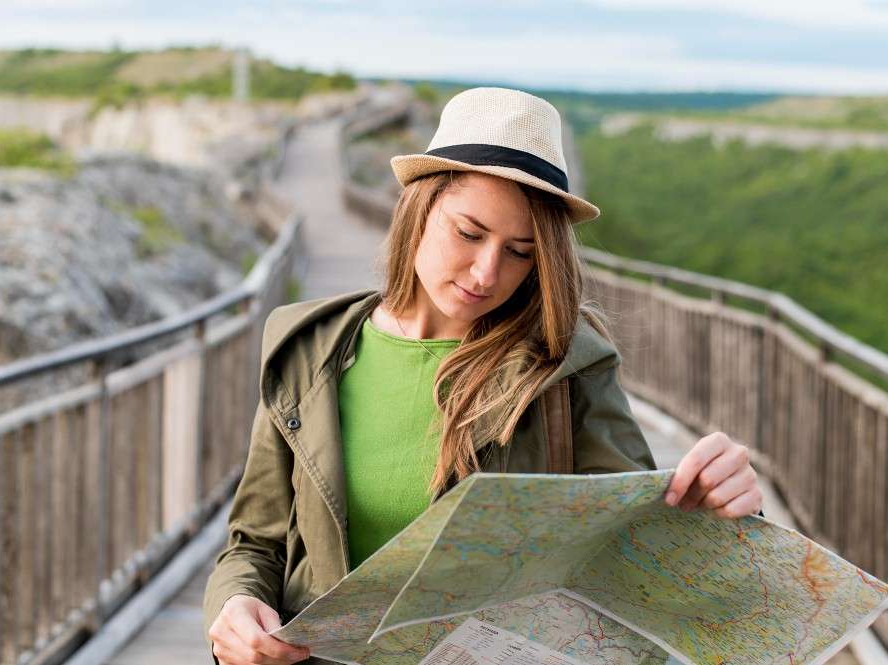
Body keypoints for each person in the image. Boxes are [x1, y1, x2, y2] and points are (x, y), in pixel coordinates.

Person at [203, 87, 762, 665]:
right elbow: (256, 542)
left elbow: (635, 548)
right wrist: (235, 608)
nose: (487, 272)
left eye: (520, 252)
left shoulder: (567, 370)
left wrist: (721, 509)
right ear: (417, 210)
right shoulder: (308, 350)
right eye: (469, 233)